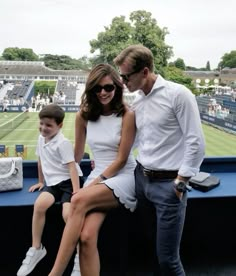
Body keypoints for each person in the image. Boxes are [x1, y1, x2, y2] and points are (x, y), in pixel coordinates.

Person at [114, 44, 205, 276]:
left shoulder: (178, 94)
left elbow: (196, 142)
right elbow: (137, 141)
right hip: (142, 182)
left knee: (168, 260)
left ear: (145, 72)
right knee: (152, 247)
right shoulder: (139, 101)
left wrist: (181, 182)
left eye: (126, 76)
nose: (123, 82)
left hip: (169, 186)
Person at [48, 63, 137, 276]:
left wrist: (93, 184)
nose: (103, 92)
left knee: (78, 200)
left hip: (123, 175)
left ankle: (55, 273)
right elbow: (76, 157)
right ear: (90, 90)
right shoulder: (83, 116)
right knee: (86, 236)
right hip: (99, 177)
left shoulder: (127, 115)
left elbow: (122, 159)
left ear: (117, 87)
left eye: (108, 87)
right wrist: (52, 153)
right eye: (97, 88)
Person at [17, 104, 83, 276]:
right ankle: (36, 248)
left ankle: (80, 257)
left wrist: (76, 192)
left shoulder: (63, 143)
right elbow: (41, 161)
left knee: (68, 215)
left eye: (48, 125)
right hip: (53, 183)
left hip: (69, 182)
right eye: (41, 123)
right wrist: (41, 181)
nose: (43, 128)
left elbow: (72, 168)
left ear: (59, 126)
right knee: (39, 205)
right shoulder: (41, 139)